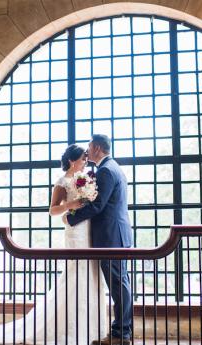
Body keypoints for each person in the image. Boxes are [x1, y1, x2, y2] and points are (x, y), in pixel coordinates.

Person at [0, 144, 107, 344]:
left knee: (89, 273)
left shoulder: (88, 178)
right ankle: (71, 328)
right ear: (73, 161)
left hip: (87, 229)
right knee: (75, 273)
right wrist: (70, 205)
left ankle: (90, 328)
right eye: (83, 158)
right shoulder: (62, 182)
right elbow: (53, 210)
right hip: (74, 233)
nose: (85, 162)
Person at [63, 134, 133, 345]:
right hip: (115, 234)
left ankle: (121, 334)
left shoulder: (106, 171)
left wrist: (71, 218)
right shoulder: (113, 168)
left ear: (99, 148)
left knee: (118, 285)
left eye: (90, 145)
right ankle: (121, 331)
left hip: (111, 237)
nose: (88, 149)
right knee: (120, 284)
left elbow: (98, 205)